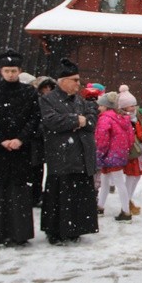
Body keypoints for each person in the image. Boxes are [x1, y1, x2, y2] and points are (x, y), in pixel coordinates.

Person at [0, 49, 41, 247]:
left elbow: (34, 118)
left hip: (20, 150)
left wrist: (20, 139)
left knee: (18, 191)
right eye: (6, 70)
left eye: (13, 70)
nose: (10, 74)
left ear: (19, 71)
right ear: (1, 71)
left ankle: (19, 232)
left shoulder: (29, 92)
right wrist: (1, 139)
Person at [39, 58, 99, 245]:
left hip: (81, 156)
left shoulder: (80, 100)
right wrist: (76, 121)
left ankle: (76, 229)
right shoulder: (48, 99)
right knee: (60, 195)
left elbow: (91, 120)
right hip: (62, 157)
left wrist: (79, 121)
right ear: (62, 81)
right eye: (74, 80)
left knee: (78, 195)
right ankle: (56, 231)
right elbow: (52, 121)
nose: (78, 84)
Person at [95, 91, 135, 221]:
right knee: (107, 180)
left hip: (109, 154)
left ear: (106, 106)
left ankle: (126, 211)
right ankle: (100, 206)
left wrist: (99, 152)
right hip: (119, 153)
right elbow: (130, 137)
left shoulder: (104, 118)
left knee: (116, 182)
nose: (98, 108)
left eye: (100, 105)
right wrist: (125, 150)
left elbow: (102, 139)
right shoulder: (123, 118)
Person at [118, 85, 142, 215]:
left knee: (137, 177)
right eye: (130, 106)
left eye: (134, 105)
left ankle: (128, 200)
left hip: (140, 150)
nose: (133, 108)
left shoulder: (138, 114)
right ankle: (126, 202)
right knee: (131, 176)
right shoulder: (122, 118)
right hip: (130, 152)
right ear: (123, 107)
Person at [28, 76, 57, 207]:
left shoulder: (55, 102)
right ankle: (34, 195)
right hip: (36, 142)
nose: (48, 90)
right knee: (35, 170)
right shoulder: (36, 101)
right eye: (45, 87)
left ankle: (41, 195)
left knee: (45, 170)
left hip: (48, 141)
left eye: (50, 87)